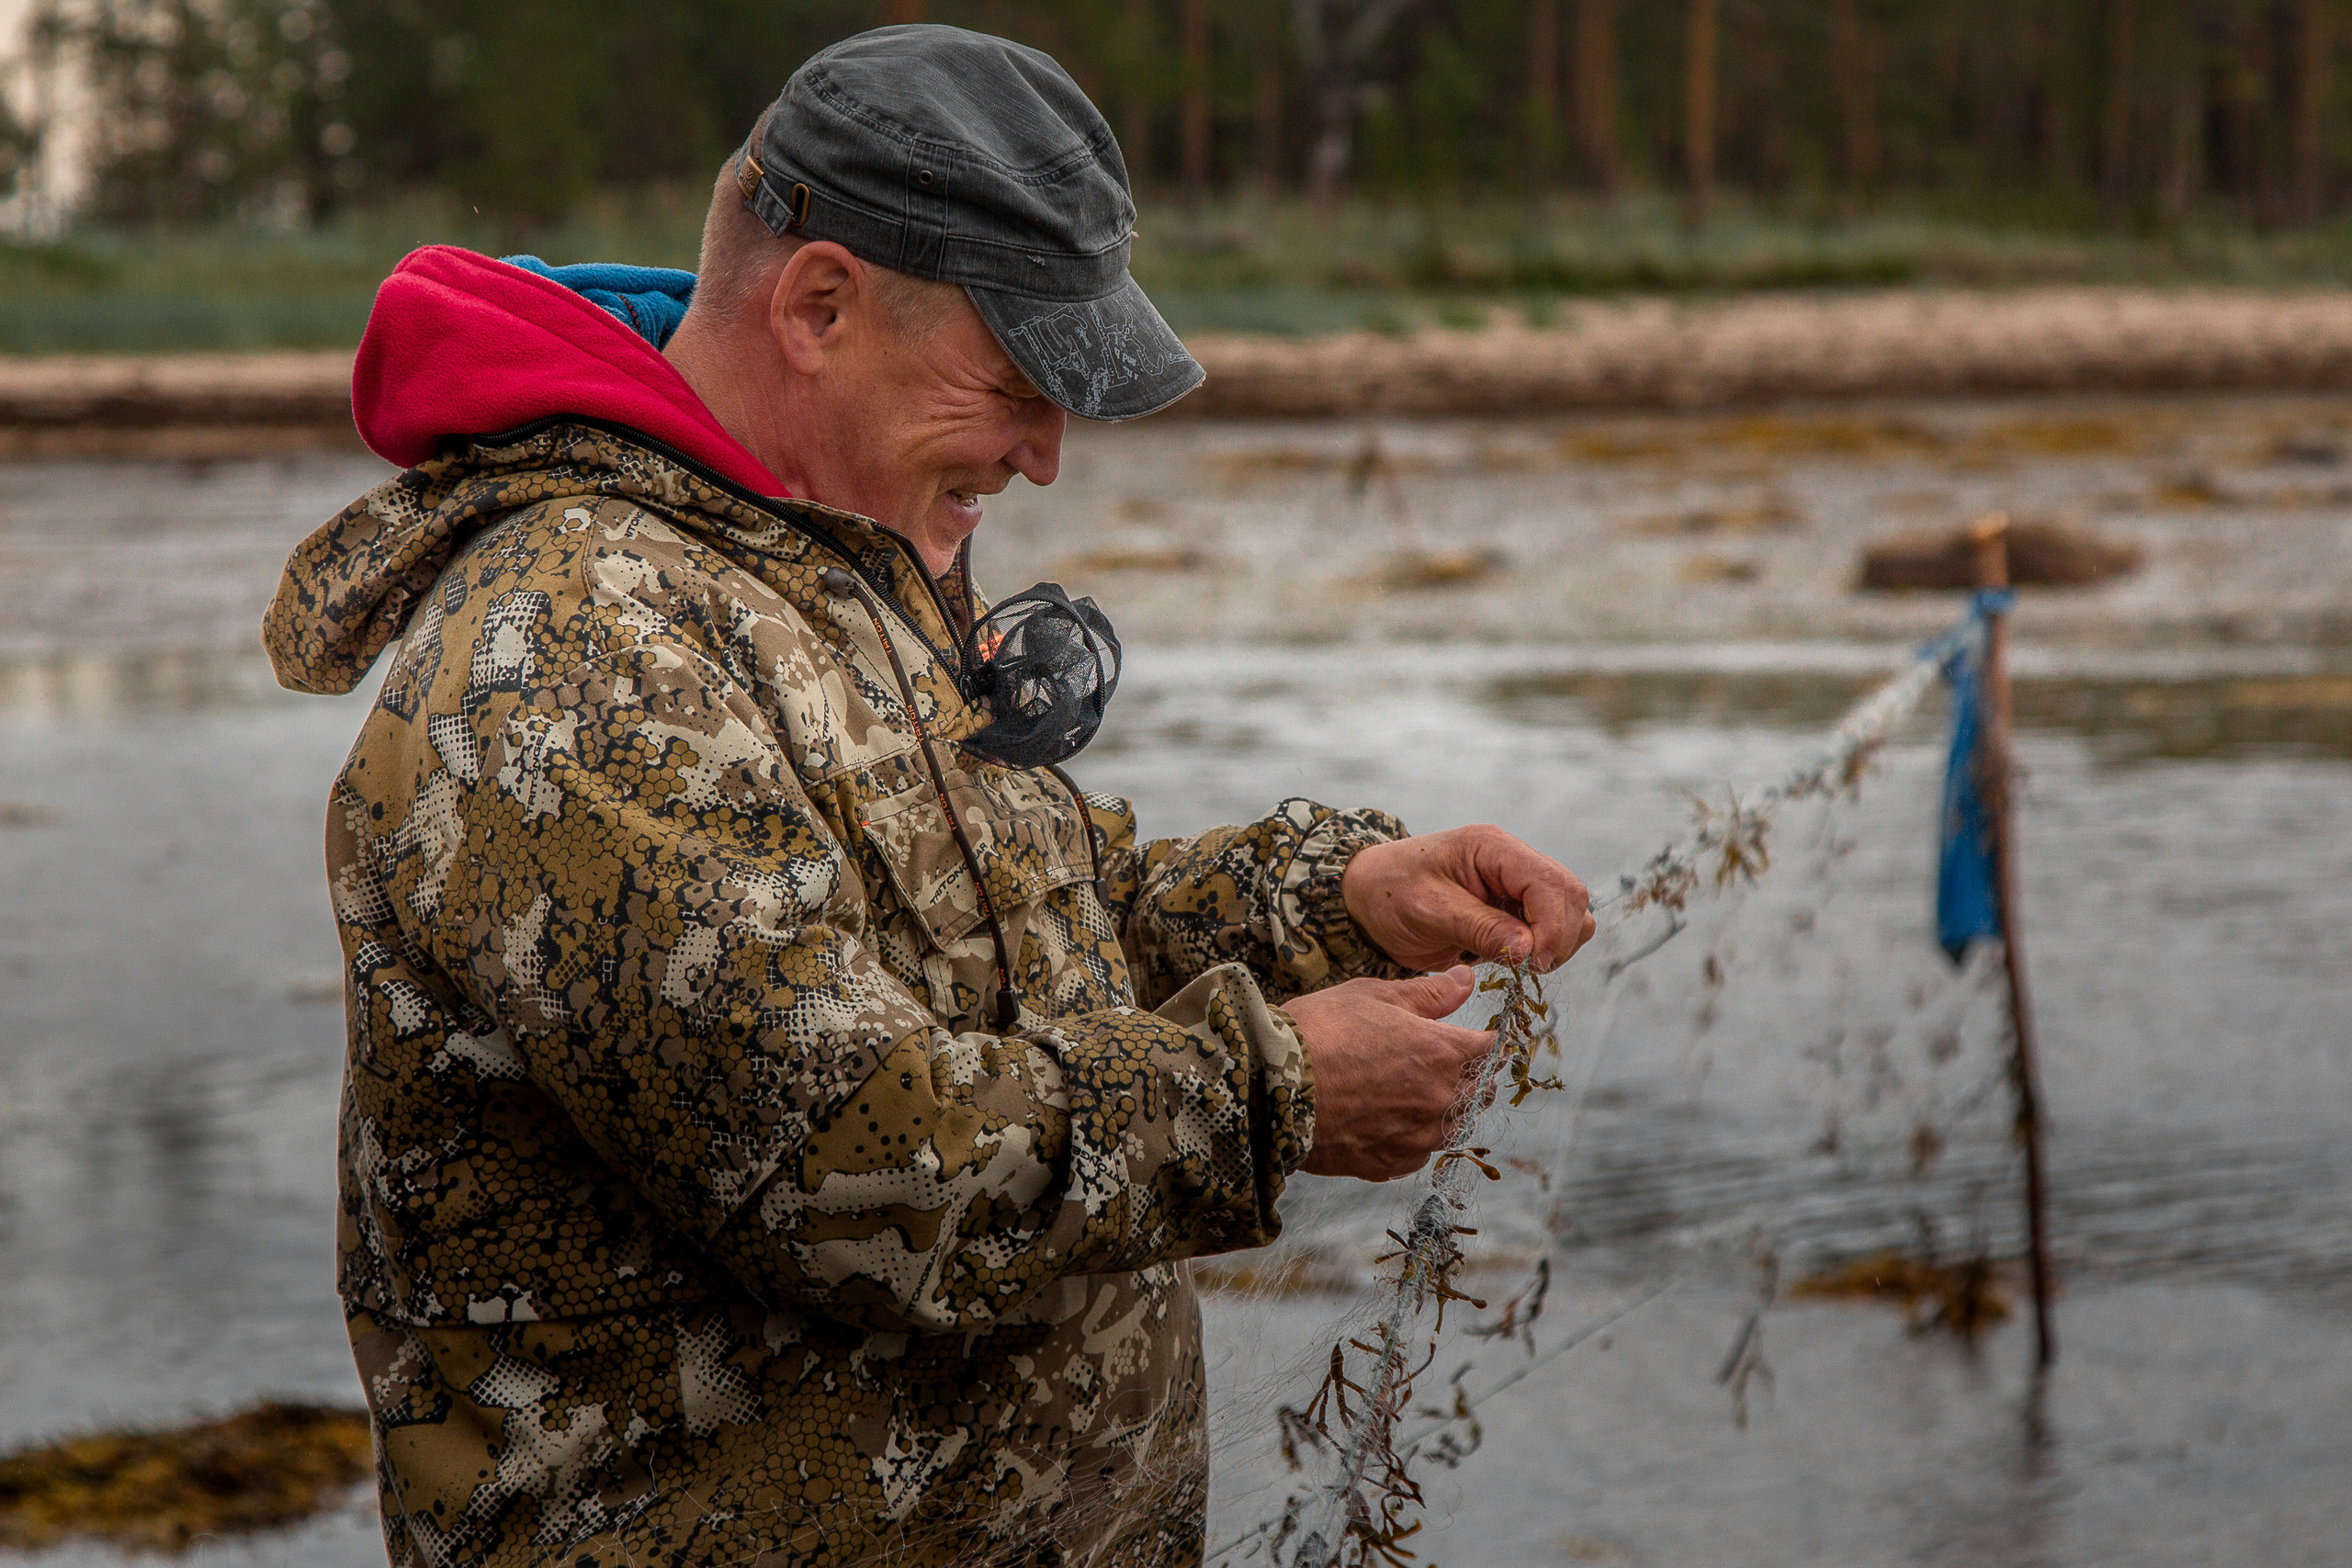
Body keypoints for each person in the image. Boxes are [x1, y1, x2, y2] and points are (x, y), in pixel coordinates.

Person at [264, 24, 1592, 1568]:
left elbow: (1048, 931)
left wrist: (1331, 900)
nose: (1042, 457)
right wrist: (1271, 1093)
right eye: (1017, 384)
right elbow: (849, 1167)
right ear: (819, 305)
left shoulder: (848, 557)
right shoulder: (578, 643)